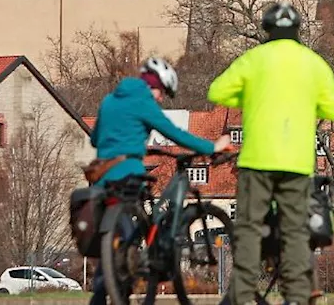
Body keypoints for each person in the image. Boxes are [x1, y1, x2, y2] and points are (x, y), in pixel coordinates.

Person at [208, 2, 334, 305]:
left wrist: (249, 95)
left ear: (267, 30)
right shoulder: (313, 63)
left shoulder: (254, 59)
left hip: (257, 160)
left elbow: (217, 92)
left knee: (249, 231)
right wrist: (310, 105)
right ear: (298, 30)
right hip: (296, 163)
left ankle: (241, 296)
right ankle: (295, 298)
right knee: (295, 233)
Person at [87, 57, 232, 305]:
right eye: (162, 91)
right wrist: (212, 145)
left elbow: (95, 139)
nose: (161, 98)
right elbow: (173, 132)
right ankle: (146, 261)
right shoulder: (143, 102)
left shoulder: (109, 101)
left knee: (112, 244)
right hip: (128, 175)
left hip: (101, 180)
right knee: (133, 231)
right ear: (153, 84)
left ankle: (101, 296)